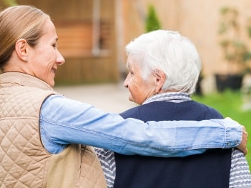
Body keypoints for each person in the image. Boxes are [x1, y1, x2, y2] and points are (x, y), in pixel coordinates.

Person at [0, 5, 247, 188]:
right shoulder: (48, 110)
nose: (61, 57)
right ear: (23, 50)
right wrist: (226, 132)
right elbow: (140, 136)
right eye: (53, 45)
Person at [96, 30, 251, 188]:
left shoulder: (116, 131)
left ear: (158, 79)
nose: (126, 82)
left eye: (131, 72)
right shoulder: (224, 130)